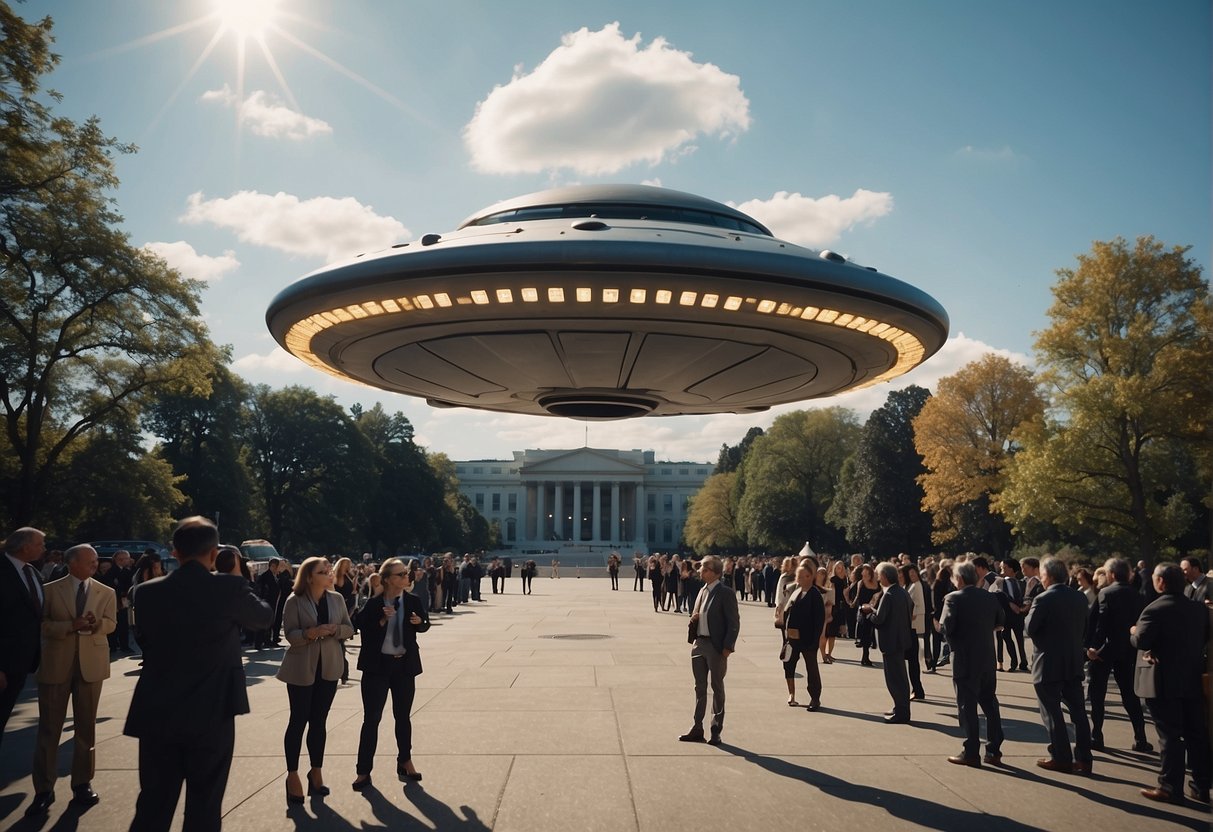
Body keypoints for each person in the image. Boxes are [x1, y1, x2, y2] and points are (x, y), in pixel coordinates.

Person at [125, 517, 273, 832]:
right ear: (213, 552)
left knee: (153, 803)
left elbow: (145, 639)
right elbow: (263, 618)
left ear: (175, 552)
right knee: (204, 803)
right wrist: (234, 577)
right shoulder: (228, 587)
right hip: (212, 707)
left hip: (158, 707)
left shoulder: (146, 592)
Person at [25, 544, 116, 816]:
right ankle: (44, 788)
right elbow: (40, 625)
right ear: (72, 562)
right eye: (90, 561)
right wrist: (69, 627)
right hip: (56, 665)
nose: (95, 565)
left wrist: (96, 624)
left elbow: (111, 622)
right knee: (49, 729)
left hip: (91, 666)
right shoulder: (50, 590)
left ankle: (82, 783)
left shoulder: (105, 591)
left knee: (86, 727)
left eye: (95, 561)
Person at [1131, 562, 1211, 805]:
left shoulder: (1154, 609)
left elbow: (1142, 640)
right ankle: (1200, 786)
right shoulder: (1198, 609)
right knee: (1197, 734)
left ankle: (1169, 786)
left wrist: (1134, 631)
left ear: (1161, 582)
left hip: (1163, 680)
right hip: (1193, 678)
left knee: (1170, 736)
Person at [278, 556, 354, 804]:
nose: (328, 574)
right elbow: (290, 635)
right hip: (301, 668)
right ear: (309, 577)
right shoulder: (295, 601)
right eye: (323, 571)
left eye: (328, 570)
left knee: (319, 722)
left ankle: (316, 772)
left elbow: (349, 629)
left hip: (329, 667)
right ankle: (292, 775)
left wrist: (335, 630)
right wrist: (310, 633)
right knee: (298, 720)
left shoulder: (337, 599)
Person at [352, 557, 431, 790]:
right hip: (378, 668)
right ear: (388, 579)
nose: (407, 577)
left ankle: (405, 761)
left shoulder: (413, 600)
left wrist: (419, 622)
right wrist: (381, 620)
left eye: (406, 573)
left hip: (404, 666)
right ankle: (363, 771)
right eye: (401, 574)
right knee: (372, 719)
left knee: (403, 717)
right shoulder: (375, 603)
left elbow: (424, 623)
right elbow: (360, 627)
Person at [1025, 556, 1094, 774]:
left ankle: (1061, 755)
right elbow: (1085, 629)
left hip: (1049, 661)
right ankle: (1084, 758)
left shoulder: (1044, 599)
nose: (1041, 579)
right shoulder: (1079, 598)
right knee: (1079, 712)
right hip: (1073, 659)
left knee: (1051, 711)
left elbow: (1030, 627)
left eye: (1043, 575)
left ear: (1050, 576)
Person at [939, 561, 1005, 767]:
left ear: (959, 579)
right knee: (989, 703)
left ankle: (971, 751)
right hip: (986, 656)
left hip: (965, 658)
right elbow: (1000, 622)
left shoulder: (952, 598)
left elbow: (946, 627)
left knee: (967, 706)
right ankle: (994, 749)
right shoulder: (989, 597)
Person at [1086, 557, 1151, 753]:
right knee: (1130, 695)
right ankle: (1140, 737)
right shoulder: (1139, 596)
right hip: (1128, 650)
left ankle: (1096, 735)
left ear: (1111, 574)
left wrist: (1093, 648)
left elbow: (1099, 624)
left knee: (1097, 694)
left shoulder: (1106, 593)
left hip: (1104, 651)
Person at [679, 556, 739, 746]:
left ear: (716, 572)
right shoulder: (702, 591)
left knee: (717, 687)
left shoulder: (725, 593)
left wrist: (728, 647)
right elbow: (696, 614)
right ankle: (697, 727)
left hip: (716, 647)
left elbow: (733, 622)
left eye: (705, 569)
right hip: (699, 644)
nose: (700, 571)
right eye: (701, 569)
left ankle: (715, 729)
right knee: (699, 688)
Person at [1, 527, 47, 752]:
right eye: (39, 544)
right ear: (24, 546)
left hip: (22, 662)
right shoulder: (3, 570)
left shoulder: (32, 572)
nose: (44, 549)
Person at [861, 562, 913, 724]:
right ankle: (900, 708)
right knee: (901, 678)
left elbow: (879, 619)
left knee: (894, 679)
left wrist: (868, 612)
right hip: (901, 639)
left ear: (884, 576)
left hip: (890, 641)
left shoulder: (889, 594)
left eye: (878, 574)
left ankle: (902, 712)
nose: (877, 577)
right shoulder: (902, 592)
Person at [781, 566, 825, 709]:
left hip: (808, 639)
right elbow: (787, 612)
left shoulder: (815, 595)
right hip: (792, 638)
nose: (797, 579)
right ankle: (791, 694)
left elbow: (819, 621)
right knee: (789, 664)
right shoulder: (796, 592)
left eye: (800, 576)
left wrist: (815, 641)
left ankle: (815, 698)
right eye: (797, 576)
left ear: (809, 577)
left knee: (811, 668)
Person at [852, 564, 882, 667]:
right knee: (865, 634)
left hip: (874, 611)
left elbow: (880, 596)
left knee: (872, 634)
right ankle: (865, 657)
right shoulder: (861, 583)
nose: (863, 576)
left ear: (870, 574)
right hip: (864, 611)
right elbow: (858, 597)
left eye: (866, 574)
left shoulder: (878, 584)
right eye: (862, 574)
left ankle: (867, 655)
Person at [256, 558, 283, 649]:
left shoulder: (275, 576)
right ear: (273, 566)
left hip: (273, 602)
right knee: (263, 623)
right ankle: (259, 642)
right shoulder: (265, 576)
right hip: (267, 602)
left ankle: (267, 639)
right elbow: (261, 589)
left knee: (269, 623)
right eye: (278, 566)